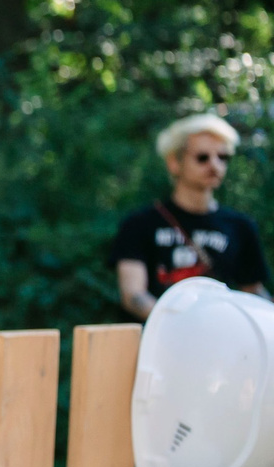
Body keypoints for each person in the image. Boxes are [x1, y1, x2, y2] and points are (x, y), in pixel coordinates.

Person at [113, 112, 268, 318]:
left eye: (223, 157)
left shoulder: (240, 226)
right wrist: (181, 325)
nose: (215, 165)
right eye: (202, 157)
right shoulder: (140, 224)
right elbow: (134, 296)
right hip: (158, 343)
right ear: (174, 162)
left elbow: (254, 294)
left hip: (221, 341)